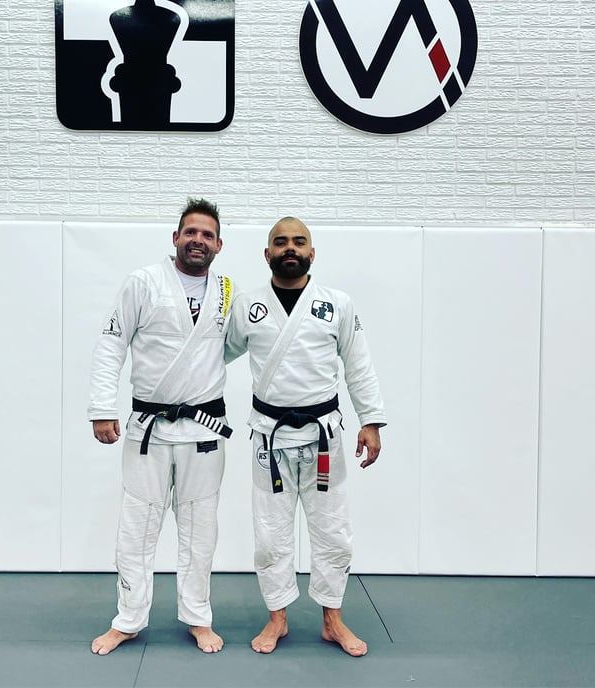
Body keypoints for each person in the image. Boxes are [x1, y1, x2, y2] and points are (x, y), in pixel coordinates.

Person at [225, 217, 386, 658]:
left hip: (323, 437)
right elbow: (214, 354)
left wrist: (370, 420)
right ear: (267, 254)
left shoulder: (337, 304)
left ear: (312, 253)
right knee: (270, 535)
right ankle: (277, 617)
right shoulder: (248, 305)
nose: (289, 249)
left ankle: (332, 620)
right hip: (269, 439)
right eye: (280, 242)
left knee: (333, 531)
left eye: (299, 242)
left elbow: (359, 364)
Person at [88, 198, 235, 655]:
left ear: (219, 245)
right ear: (175, 238)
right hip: (149, 426)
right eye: (191, 232)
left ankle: (198, 617)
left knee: (200, 528)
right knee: (137, 526)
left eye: (207, 235)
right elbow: (112, 343)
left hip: (204, 429)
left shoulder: (227, 290)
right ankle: (128, 619)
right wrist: (102, 407)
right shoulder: (144, 282)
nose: (198, 240)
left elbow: (225, 348)